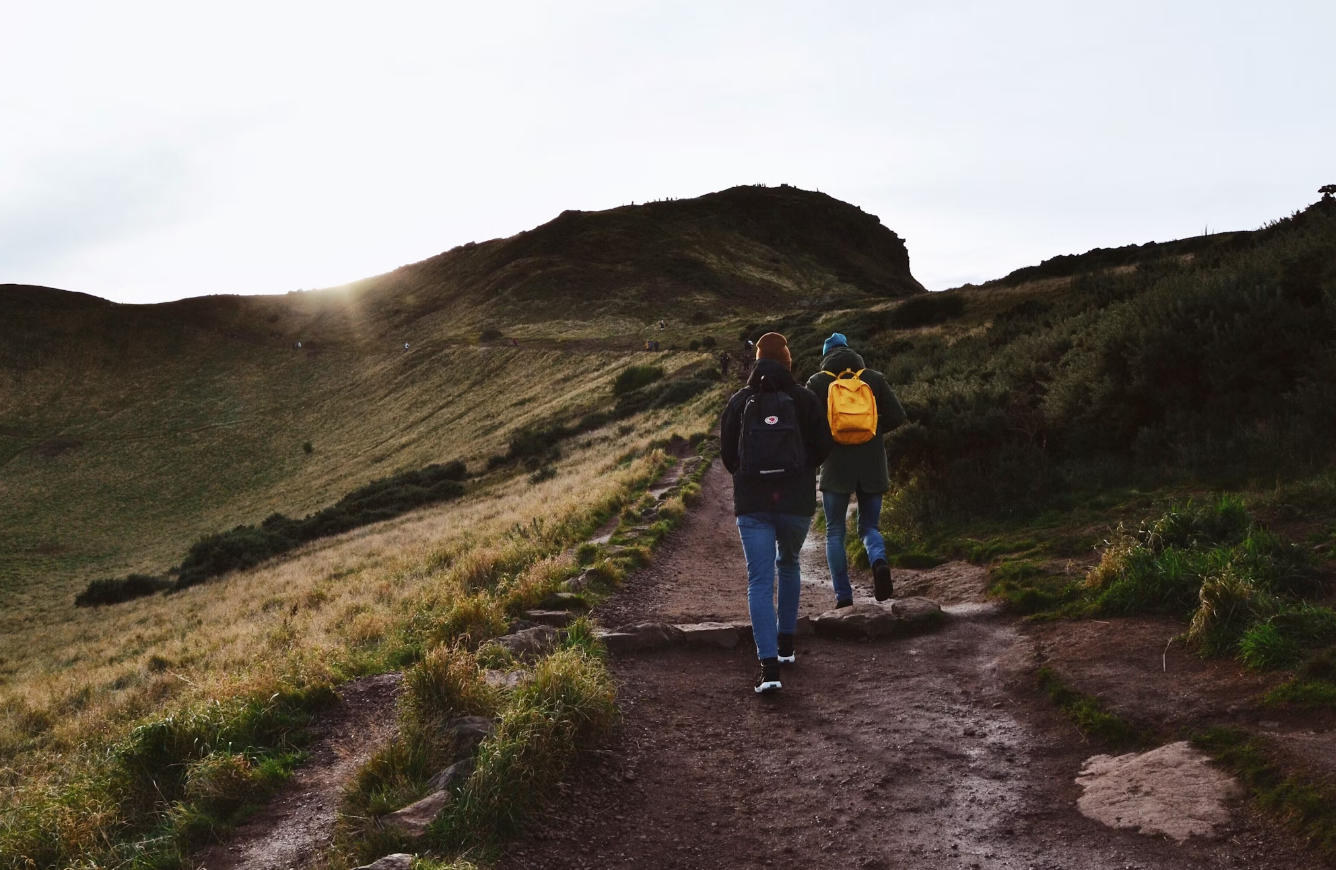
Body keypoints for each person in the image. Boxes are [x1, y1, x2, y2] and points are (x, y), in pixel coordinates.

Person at [721, 333, 832, 693]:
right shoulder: (805, 399)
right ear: (788, 363)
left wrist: (749, 474)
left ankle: (769, 670)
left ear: (756, 363)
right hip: (795, 503)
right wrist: (799, 471)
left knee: (758, 580)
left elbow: (727, 457)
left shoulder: (739, 401)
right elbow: (823, 446)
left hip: (753, 505)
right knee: (789, 564)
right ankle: (787, 646)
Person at [806, 333, 907, 606]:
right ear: (851, 351)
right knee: (868, 526)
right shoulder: (874, 378)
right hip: (872, 464)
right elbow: (898, 416)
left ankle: (843, 597)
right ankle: (878, 562)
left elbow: (807, 425)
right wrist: (872, 431)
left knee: (835, 531)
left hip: (835, 465)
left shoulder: (818, 382)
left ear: (826, 355)